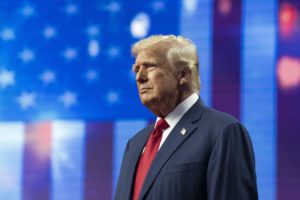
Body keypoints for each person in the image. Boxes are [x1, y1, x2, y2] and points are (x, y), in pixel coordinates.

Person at [115, 35, 258, 200]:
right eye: (136, 69)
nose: (139, 77)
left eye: (150, 66)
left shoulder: (222, 132)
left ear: (183, 74)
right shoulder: (135, 144)